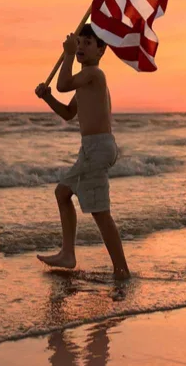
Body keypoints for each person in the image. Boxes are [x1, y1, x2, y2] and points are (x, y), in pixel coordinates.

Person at [34, 25, 131, 280]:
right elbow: (68, 113)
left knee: (86, 204)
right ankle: (80, 256)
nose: (80, 47)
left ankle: (111, 267)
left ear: (101, 50)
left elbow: (63, 82)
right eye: (79, 42)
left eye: (87, 43)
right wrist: (48, 98)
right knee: (74, 198)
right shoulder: (85, 79)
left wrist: (66, 54)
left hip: (97, 147)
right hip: (93, 148)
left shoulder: (94, 74)